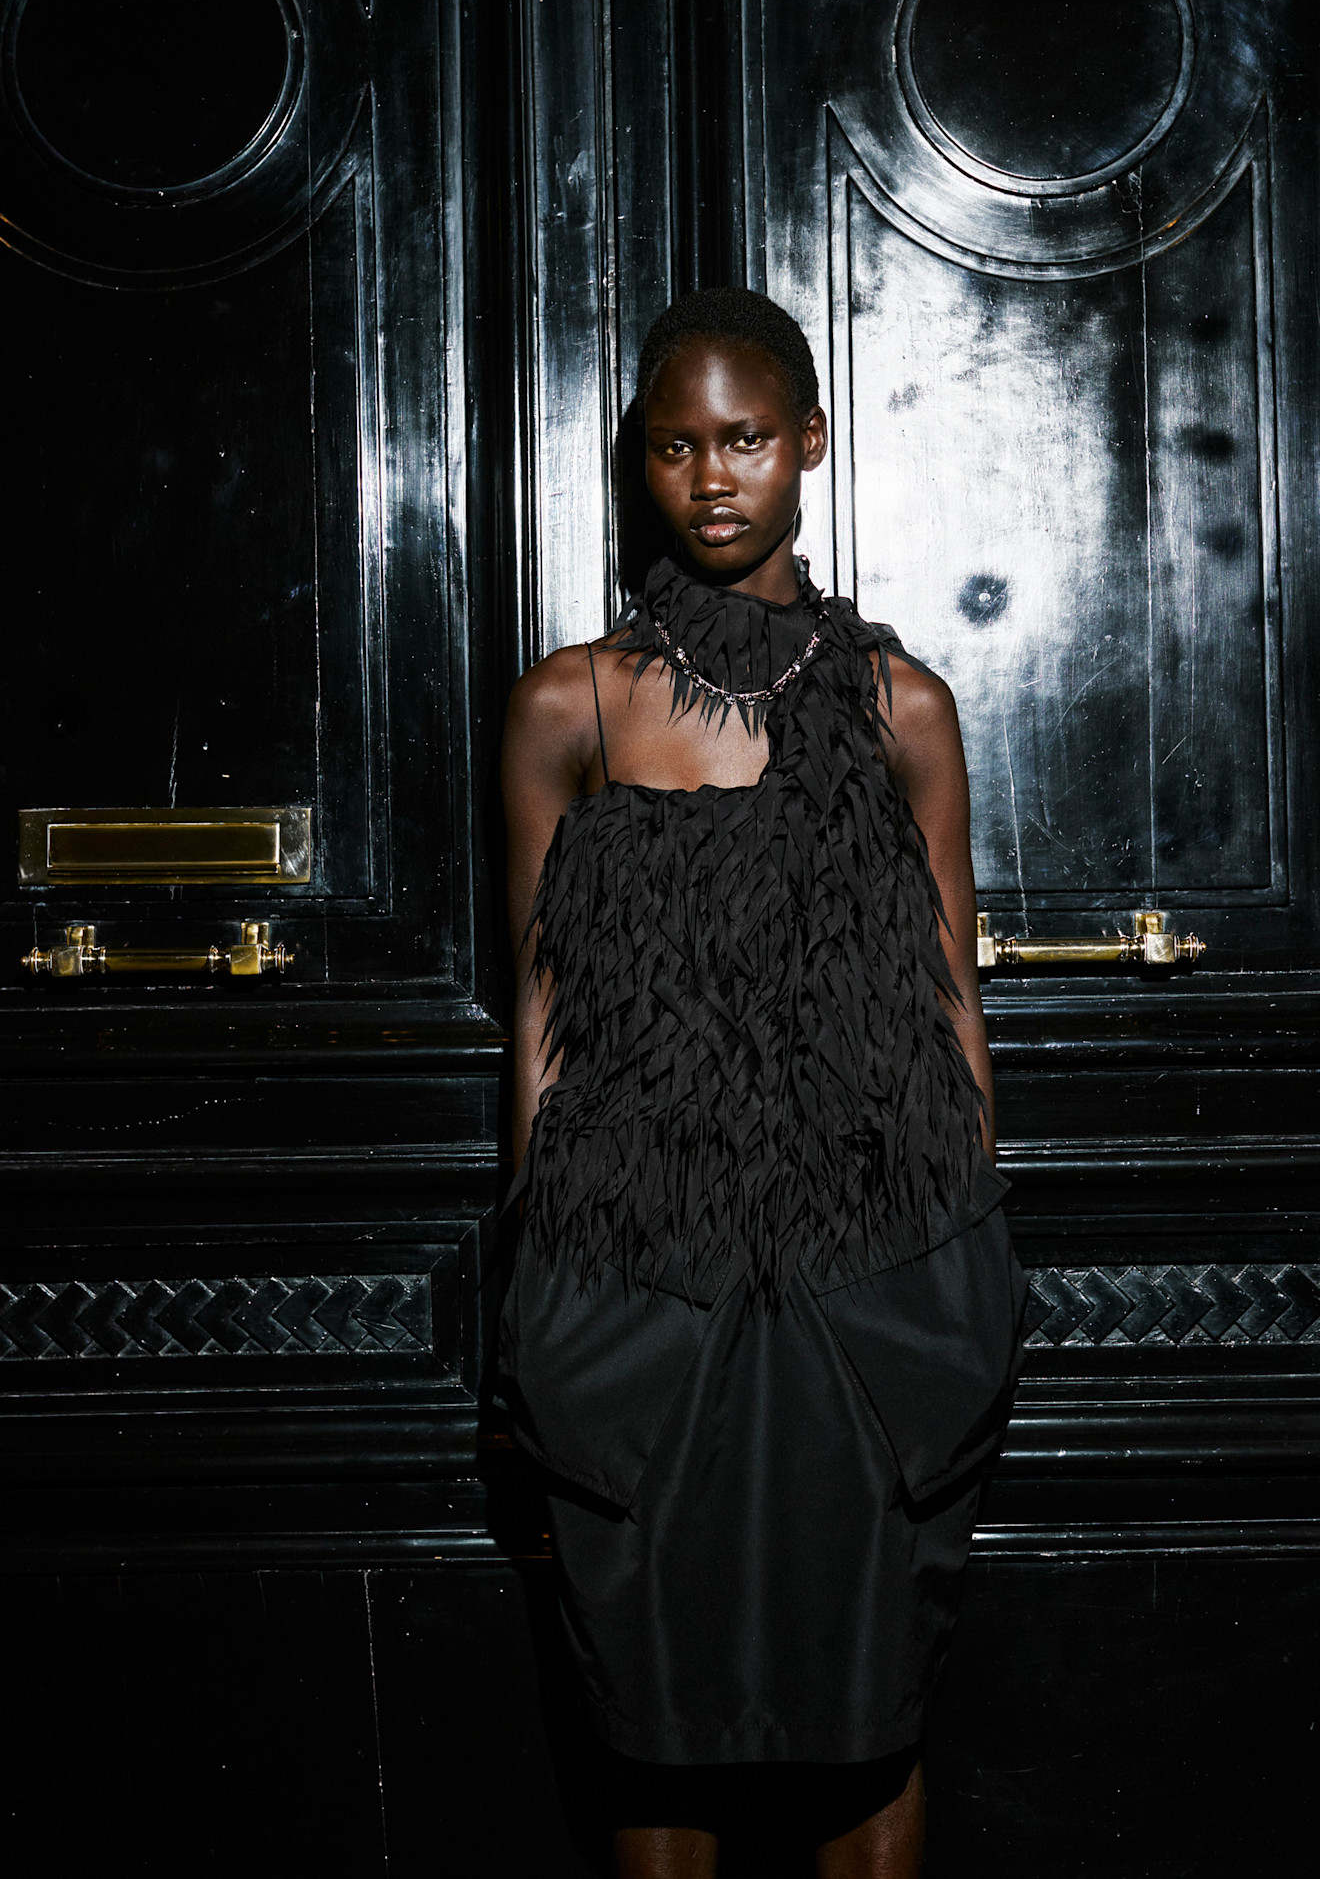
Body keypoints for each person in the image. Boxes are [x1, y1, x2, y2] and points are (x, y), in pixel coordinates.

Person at [499, 287, 1026, 1877]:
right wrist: (539, 1288)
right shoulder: (569, 706)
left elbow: (951, 1001)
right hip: (638, 1291)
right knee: (654, 1732)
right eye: (675, 446)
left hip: (873, 1290)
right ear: (640, 467)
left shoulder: (903, 708)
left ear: (810, 443)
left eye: (743, 440)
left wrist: (970, 1277)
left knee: (869, 1724)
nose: (711, 478)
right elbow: (541, 1014)